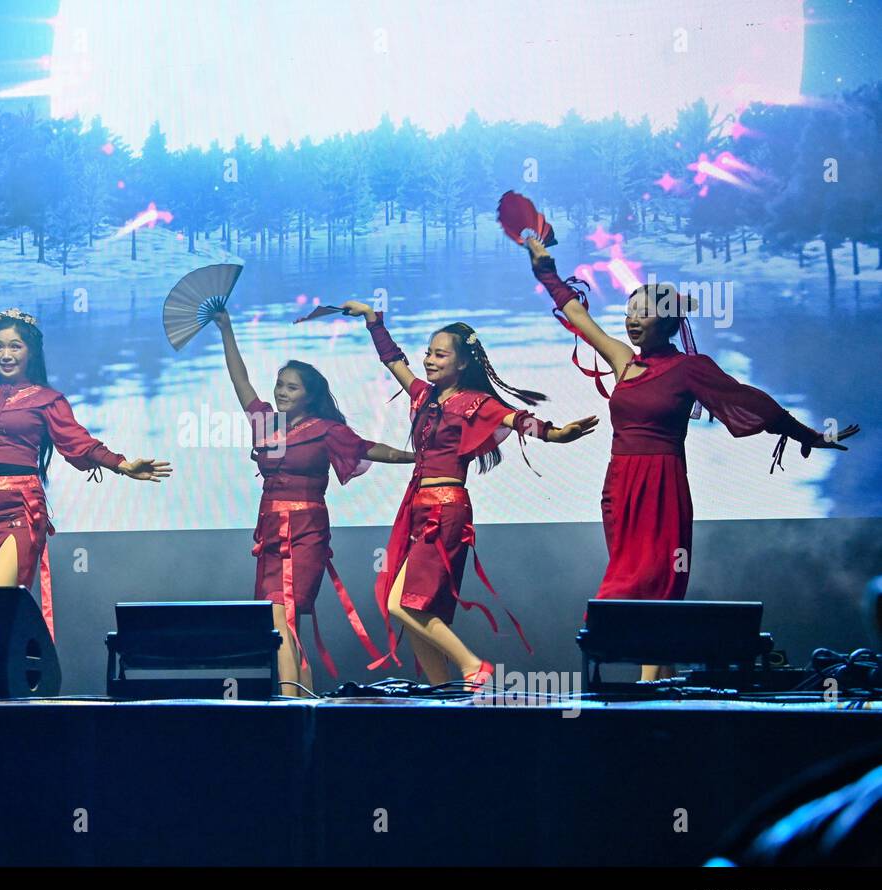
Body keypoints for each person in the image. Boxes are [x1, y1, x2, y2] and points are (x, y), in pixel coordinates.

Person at [525, 235, 859, 679]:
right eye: (628, 311)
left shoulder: (689, 368)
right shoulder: (624, 361)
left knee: (652, 589)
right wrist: (544, 268)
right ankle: (657, 698)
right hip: (621, 488)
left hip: (662, 486)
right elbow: (578, 315)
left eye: (642, 311)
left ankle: (651, 698)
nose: (630, 320)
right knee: (632, 584)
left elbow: (753, 402)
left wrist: (807, 435)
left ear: (667, 320)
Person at [343, 299, 598, 689]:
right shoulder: (424, 397)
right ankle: (441, 689)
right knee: (418, 612)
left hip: (445, 511)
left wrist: (557, 433)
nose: (429, 359)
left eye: (440, 354)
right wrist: (373, 321)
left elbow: (517, 418)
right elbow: (393, 360)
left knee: (402, 603)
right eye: (428, 352)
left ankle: (473, 666)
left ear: (462, 363)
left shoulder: (476, 403)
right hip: (418, 507)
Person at [0, 299, 170, 638]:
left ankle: (0, 681)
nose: (5, 354)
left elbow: (79, 442)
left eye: (14, 346)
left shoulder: (46, 400)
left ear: (30, 352)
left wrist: (122, 464)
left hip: (18, 510)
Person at [214, 310, 415, 694]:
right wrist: (227, 331)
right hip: (271, 536)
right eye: (279, 385)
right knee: (277, 620)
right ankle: (300, 699)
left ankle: (291, 701)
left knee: (284, 615)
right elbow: (240, 381)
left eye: (291, 387)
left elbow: (371, 449)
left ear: (310, 395)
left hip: (306, 532)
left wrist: (416, 457)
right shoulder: (267, 424)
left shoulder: (326, 430)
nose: (281, 392)